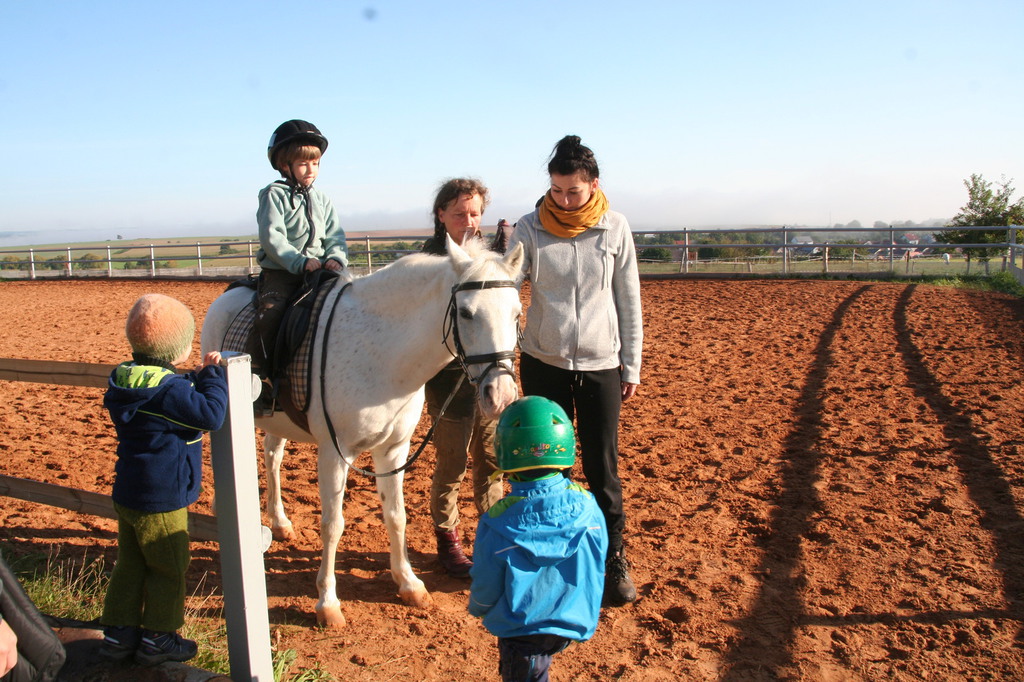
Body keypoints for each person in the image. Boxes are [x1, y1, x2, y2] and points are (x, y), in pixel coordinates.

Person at [507, 134, 643, 606]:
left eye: (573, 192)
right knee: (549, 465)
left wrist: (631, 364)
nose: (563, 200)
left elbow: (628, 298)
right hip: (544, 362)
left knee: (602, 465)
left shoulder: (615, 227)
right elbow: (507, 286)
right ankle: (555, 557)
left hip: (602, 363)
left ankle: (613, 557)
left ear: (593, 185)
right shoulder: (529, 228)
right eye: (556, 190)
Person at [99, 294, 228, 665]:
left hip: (128, 491)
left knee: (130, 563)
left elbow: (168, 391)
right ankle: (159, 636)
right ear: (180, 348)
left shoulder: (124, 378)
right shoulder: (170, 392)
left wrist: (191, 379)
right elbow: (211, 414)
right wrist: (211, 376)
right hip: (162, 497)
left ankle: (119, 633)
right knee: (169, 565)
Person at [469, 396, 607, 682]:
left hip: (521, 633)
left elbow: (486, 584)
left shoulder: (496, 523)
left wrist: (479, 608)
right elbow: (597, 561)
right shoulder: (590, 507)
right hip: (572, 621)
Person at [421, 178, 509, 578]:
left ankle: (492, 533)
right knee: (452, 462)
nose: (469, 222)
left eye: (475, 213)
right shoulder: (428, 264)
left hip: (489, 377)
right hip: (448, 380)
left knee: (491, 460)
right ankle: (448, 539)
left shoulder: (489, 259)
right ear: (441, 215)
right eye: (459, 214)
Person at [249, 119, 347, 410]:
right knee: (270, 313)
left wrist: (335, 257)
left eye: (315, 163)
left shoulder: (322, 199)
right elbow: (272, 237)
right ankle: (255, 378)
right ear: (284, 165)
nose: (311, 170)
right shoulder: (273, 195)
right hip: (283, 273)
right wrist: (300, 262)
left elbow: (335, 235)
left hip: (322, 271)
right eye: (303, 164)